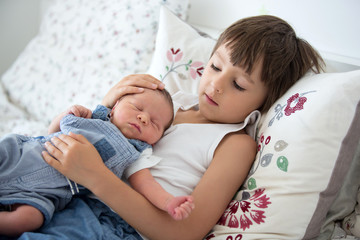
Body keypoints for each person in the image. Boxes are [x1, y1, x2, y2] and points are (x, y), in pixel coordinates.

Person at [24, 15, 323, 240]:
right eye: (216, 67)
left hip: (114, 227)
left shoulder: (234, 144)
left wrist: (96, 177)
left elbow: (186, 231)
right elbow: (108, 146)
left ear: (265, 101)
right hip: (71, 198)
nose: (216, 84)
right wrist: (108, 105)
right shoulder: (171, 102)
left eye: (238, 84)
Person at [0, 88, 194, 237]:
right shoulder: (93, 118)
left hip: (46, 193)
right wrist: (67, 114)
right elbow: (52, 133)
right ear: (115, 106)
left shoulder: (136, 154)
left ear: (157, 138)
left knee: (28, 220)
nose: (143, 118)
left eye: (154, 123)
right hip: (25, 155)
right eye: (137, 108)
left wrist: (169, 202)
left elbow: (146, 184)